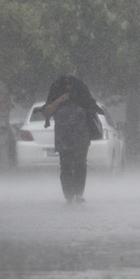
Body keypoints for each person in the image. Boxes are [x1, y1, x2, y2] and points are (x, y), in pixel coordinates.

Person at [42, 75, 104, 204]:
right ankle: (69, 196)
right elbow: (47, 112)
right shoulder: (56, 96)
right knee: (65, 166)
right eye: (65, 85)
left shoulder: (82, 96)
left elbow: (91, 108)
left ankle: (79, 195)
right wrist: (60, 100)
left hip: (81, 136)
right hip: (63, 137)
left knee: (80, 164)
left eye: (70, 85)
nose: (68, 87)